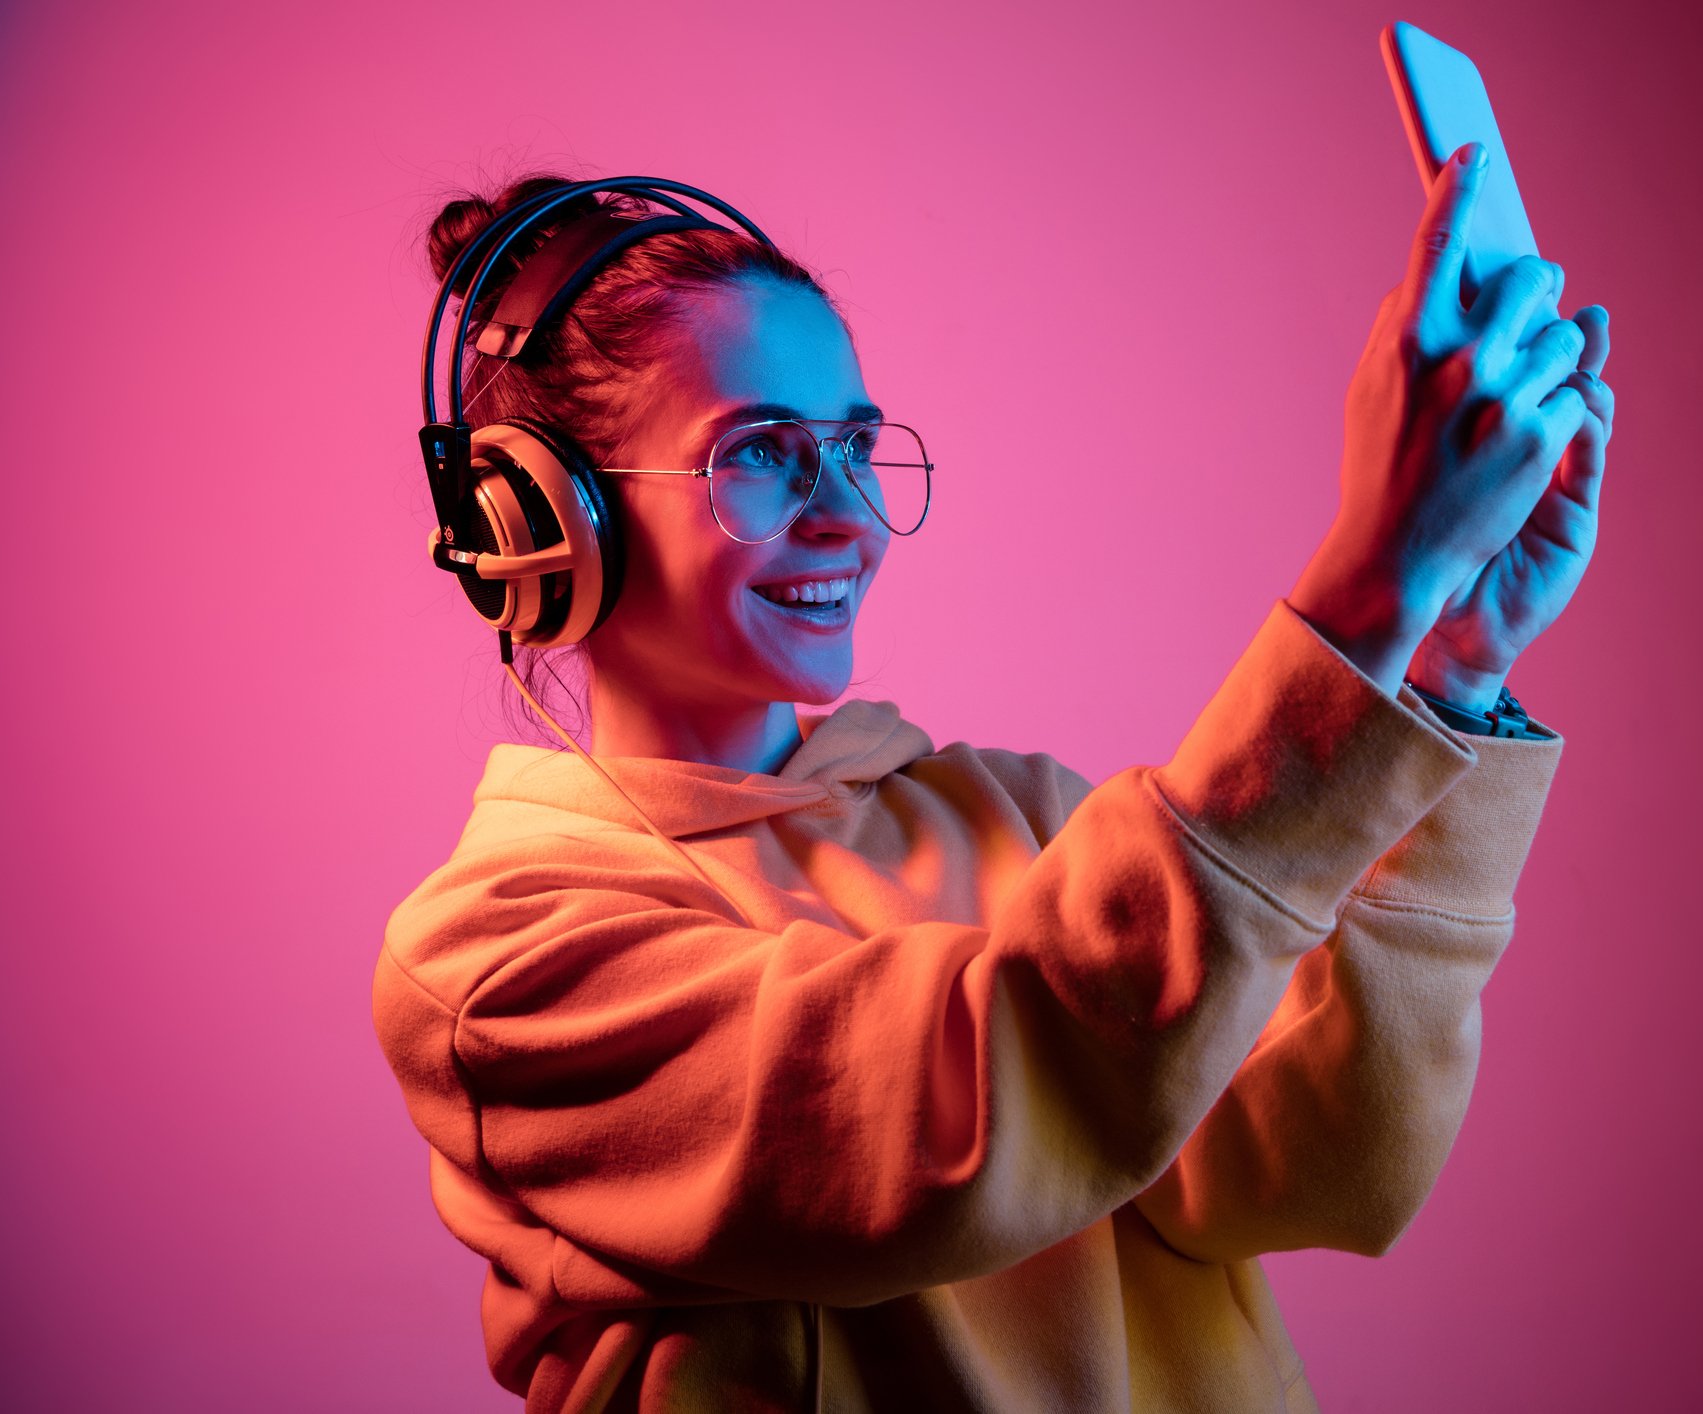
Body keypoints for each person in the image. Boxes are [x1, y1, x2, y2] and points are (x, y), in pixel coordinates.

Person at [372, 138, 1614, 1413]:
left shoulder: (1016, 815)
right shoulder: (497, 962)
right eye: (759, 452)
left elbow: (1316, 1164)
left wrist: (1448, 668)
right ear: (539, 519)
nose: (847, 512)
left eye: (854, 445)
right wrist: (1361, 599)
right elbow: (967, 1115)